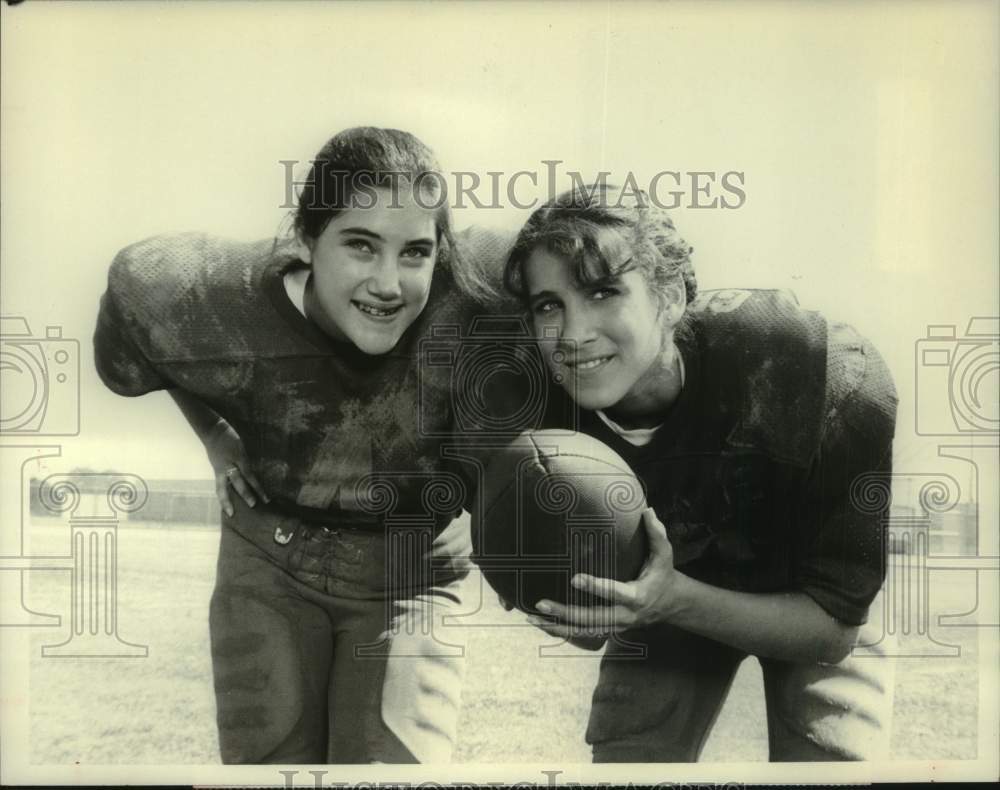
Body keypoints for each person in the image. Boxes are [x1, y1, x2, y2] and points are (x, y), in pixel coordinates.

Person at [93, 127, 508, 764]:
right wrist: (213, 434)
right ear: (307, 239)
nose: (389, 283)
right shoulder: (206, 294)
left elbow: (596, 288)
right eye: (361, 246)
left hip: (411, 567)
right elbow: (137, 329)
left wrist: (496, 494)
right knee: (271, 770)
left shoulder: (482, 285)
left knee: (393, 770)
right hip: (270, 553)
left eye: (415, 253)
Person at [499, 183, 899, 762]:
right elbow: (587, 628)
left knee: (832, 756)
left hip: (804, 592)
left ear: (670, 298)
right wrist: (566, 596)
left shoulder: (818, 372)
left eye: (604, 291)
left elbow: (833, 631)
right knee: (630, 760)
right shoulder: (535, 408)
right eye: (548, 304)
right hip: (670, 582)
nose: (572, 334)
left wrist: (672, 599)